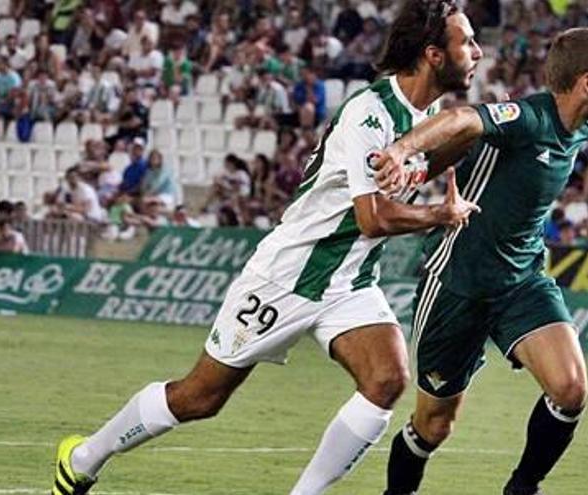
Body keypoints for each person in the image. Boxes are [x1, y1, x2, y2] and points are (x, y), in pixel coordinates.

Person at [51, 2, 482, 495]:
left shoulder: (423, 119)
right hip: (287, 275)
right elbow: (372, 217)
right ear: (433, 55)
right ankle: (84, 457)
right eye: (466, 42)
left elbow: (442, 149)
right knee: (200, 397)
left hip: (349, 280)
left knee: (386, 379)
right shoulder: (370, 114)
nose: (477, 51)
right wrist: (438, 215)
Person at [374, 27, 588, 495]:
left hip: (522, 282)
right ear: (587, 82)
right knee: (434, 426)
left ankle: (522, 488)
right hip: (458, 284)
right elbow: (463, 119)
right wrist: (401, 149)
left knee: (570, 389)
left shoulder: (581, 126)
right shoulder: (527, 118)